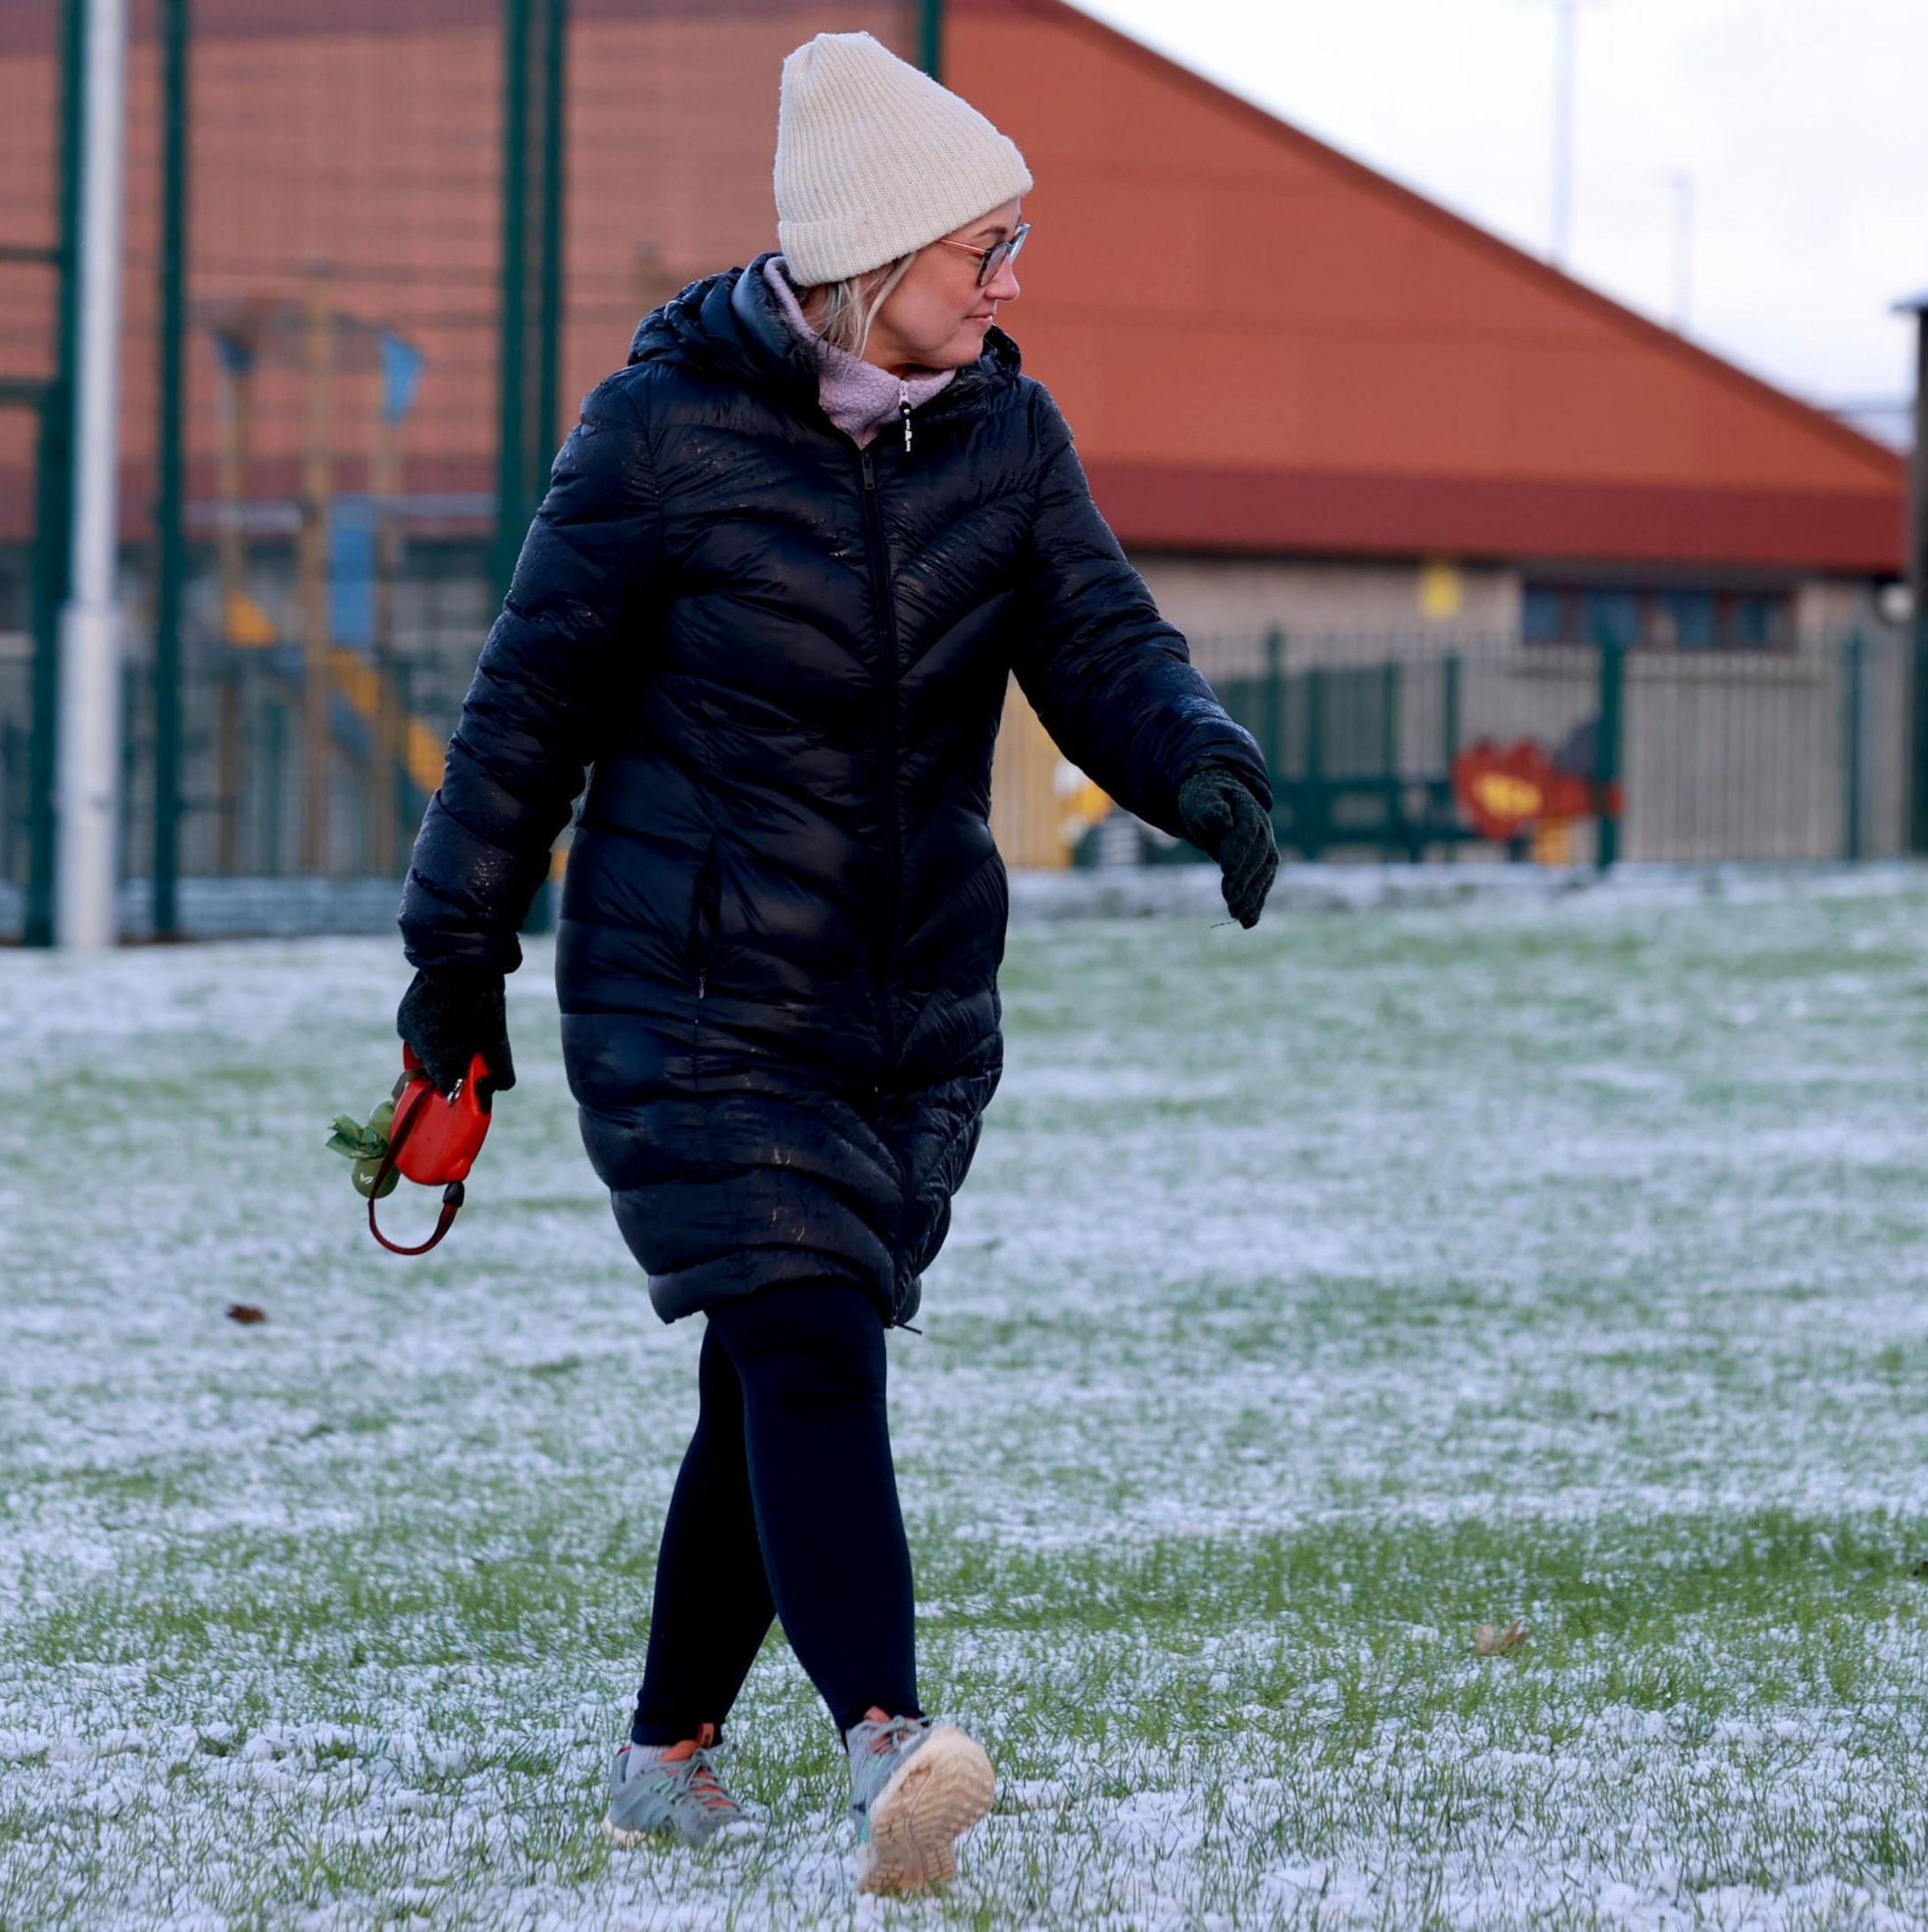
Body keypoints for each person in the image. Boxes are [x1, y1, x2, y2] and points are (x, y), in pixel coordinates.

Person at [390, 30, 1278, 1894]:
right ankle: (891, 1732)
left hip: (898, 1003)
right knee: (802, 1331)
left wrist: (1199, 765)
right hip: (686, 990)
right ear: (881, 262)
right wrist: (454, 976)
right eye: (988, 249)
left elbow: (1097, 636)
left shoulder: (1005, 436)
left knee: (772, 1356)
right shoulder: (660, 436)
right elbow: (522, 718)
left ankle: (665, 1753)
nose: (1014, 281)